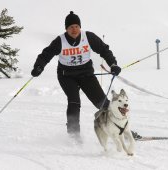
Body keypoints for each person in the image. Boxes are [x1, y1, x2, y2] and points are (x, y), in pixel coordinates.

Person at [31, 11, 121, 139]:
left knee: (103, 103)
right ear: (66, 29)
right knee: (74, 101)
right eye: (71, 27)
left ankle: (120, 131)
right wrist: (38, 67)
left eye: (76, 26)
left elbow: (104, 50)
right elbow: (46, 54)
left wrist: (113, 64)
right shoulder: (60, 41)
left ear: (80, 27)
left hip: (86, 74)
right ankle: (73, 135)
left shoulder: (88, 37)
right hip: (66, 76)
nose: (74, 29)